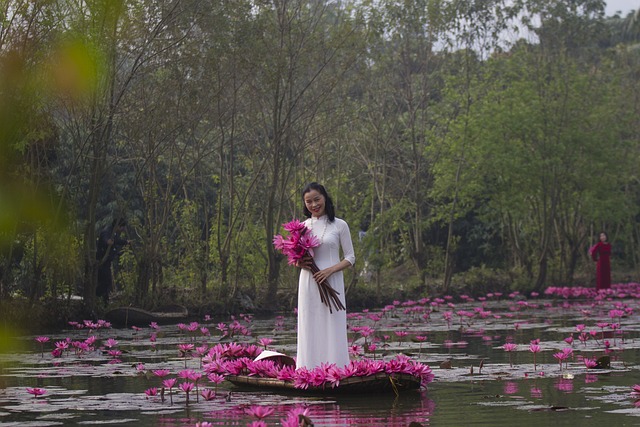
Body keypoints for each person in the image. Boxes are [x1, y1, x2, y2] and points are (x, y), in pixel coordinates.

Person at [295, 182, 355, 370]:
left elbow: (350, 258)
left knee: (332, 322)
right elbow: (297, 257)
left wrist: (330, 270)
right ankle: (308, 369)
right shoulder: (301, 227)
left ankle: (336, 369)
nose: (313, 205)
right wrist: (299, 263)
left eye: (316, 199)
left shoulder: (339, 225)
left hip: (332, 281)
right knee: (309, 323)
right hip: (309, 282)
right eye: (308, 201)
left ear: (325, 198)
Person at [96, 218, 129, 304]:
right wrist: (108, 242)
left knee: (107, 282)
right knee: (105, 281)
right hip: (102, 261)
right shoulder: (107, 231)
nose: (123, 229)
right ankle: (98, 297)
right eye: (122, 227)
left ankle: (104, 300)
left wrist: (126, 242)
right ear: (118, 226)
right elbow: (105, 238)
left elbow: (117, 240)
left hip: (107, 262)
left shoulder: (114, 233)